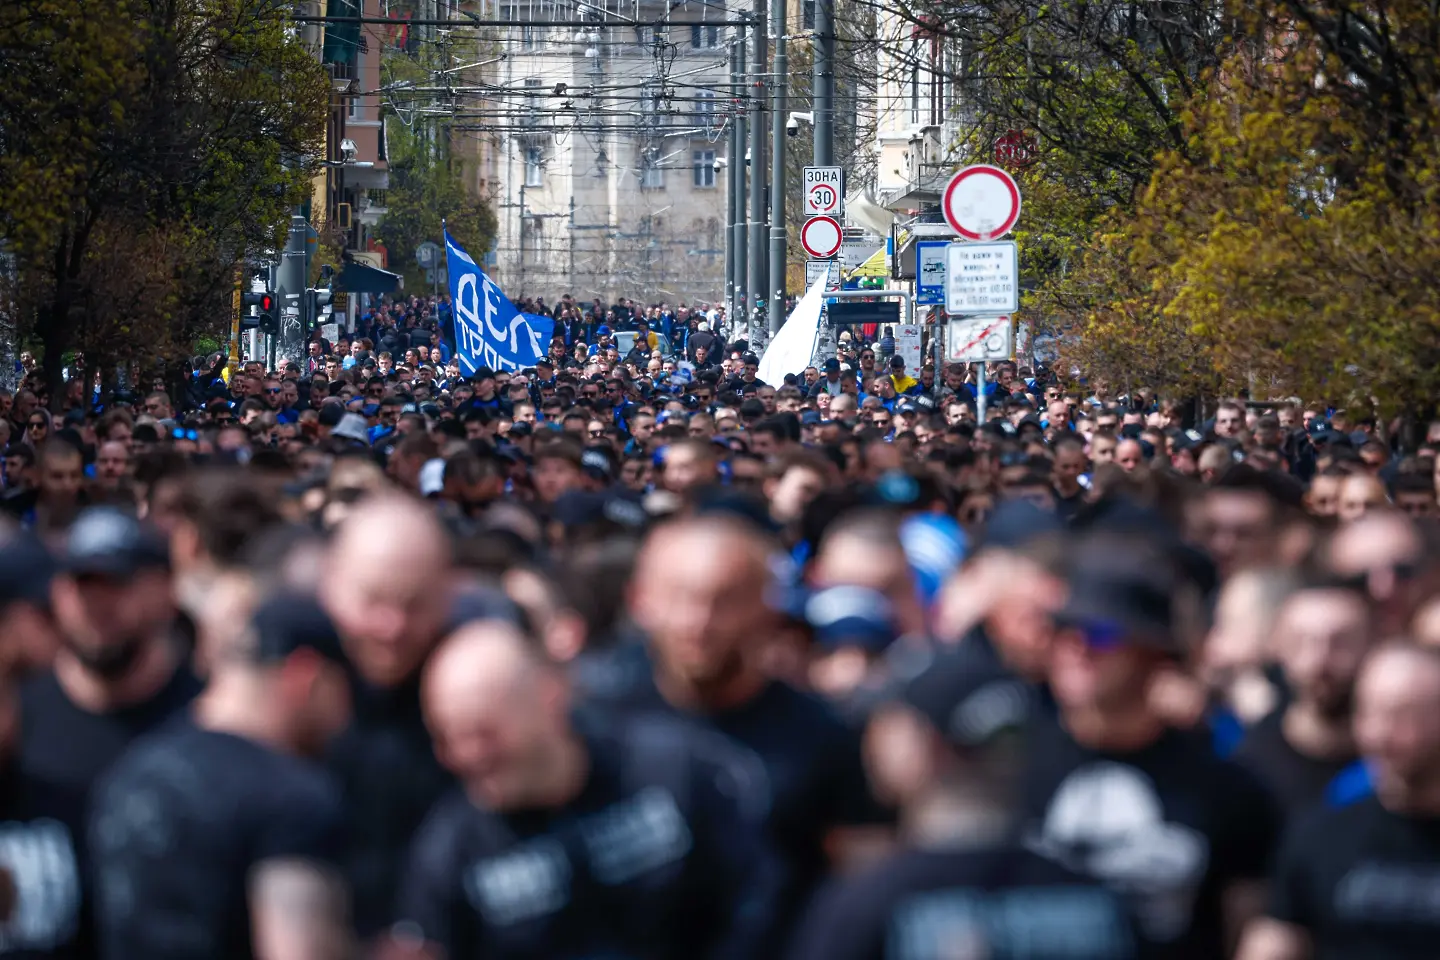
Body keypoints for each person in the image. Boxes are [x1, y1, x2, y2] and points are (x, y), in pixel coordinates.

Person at [390, 618, 781, 959]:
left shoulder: (671, 772)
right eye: (446, 737)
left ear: (550, 696)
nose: (465, 755)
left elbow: (754, 898)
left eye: (483, 733)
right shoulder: (450, 850)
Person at [589, 513, 891, 941]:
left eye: (724, 600)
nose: (699, 622)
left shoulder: (821, 734)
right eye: (680, 597)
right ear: (642, 601)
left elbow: (864, 880)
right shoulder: (598, 719)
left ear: (766, 608)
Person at [789, 644, 1138, 960]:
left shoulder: (868, 906)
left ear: (925, 745)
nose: (870, 737)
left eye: (885, 720)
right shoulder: (1094, 899)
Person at [1022, 533, 1281, 959]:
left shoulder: (1226, 787)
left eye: (1101, 634)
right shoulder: (1013, 761)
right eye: (1063, 630)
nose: (1077, 649)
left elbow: (1248, 928)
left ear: (1154, 652)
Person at [89, 592, 354, 960]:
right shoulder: (292, 797)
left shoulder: (130, 774)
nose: (344, 718)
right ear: (304, 677)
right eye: (344, 691)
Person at [16, 507, 203, 956]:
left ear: (164, 591)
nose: (97, 605)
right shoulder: (18, 722)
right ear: (59, 594)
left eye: (116, 584)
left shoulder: (204, 717)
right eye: (83, 585)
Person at [1237, 643, 1440, 960]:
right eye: (1371, 713)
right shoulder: (1321, 836)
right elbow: (1275, 942)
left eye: (1405, 716)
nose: (1382, 734)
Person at [318, 495, 459, 939]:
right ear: (330, 585)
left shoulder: (471, 682)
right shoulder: (286, 684)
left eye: (415, 604)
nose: (392, 626)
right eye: (373, 600)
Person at [1232, 583, 1372, 819]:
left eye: (1341, 642)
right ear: (1277, 648)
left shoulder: (1403, 770)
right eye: (1302, 642)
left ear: (1372, 645)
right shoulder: (1249, 766)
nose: (1320, 661)